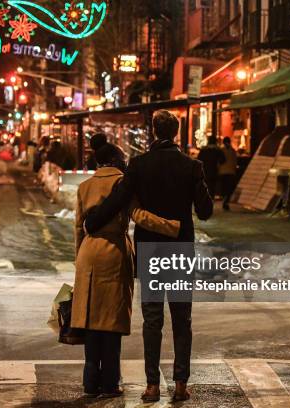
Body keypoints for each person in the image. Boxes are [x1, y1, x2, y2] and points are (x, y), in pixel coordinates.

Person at [84, 110, 213, 402]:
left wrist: (92, 221)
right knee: (182, 320)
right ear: (177, 133)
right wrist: (199, 180)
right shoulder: (191, 166)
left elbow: (118, 200)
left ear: (154, 131)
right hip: (180, 249)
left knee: (152, 320)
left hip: (151, 250)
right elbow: (205, 211)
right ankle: (180, 384)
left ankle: (152, 385)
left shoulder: (139, 165)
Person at [73, 142, 182, 399]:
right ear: (115, 159)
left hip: (88, 253)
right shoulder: (124, 183)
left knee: (90, 320)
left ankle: (90, 382)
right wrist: (172, 227)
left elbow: (79, 228)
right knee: (111, 320)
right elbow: (139, 215)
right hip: (114, 251)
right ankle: (110, 383)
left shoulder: (84, 186)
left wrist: (79, 260)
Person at [219, 137, 238, 210]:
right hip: (231, 172)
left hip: (222, 171)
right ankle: (226, 201)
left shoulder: (221, 150)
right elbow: (235, 161)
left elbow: (219, 162)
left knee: (224, 187)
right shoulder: (233, 151)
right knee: (229, 188)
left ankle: (225, 200)